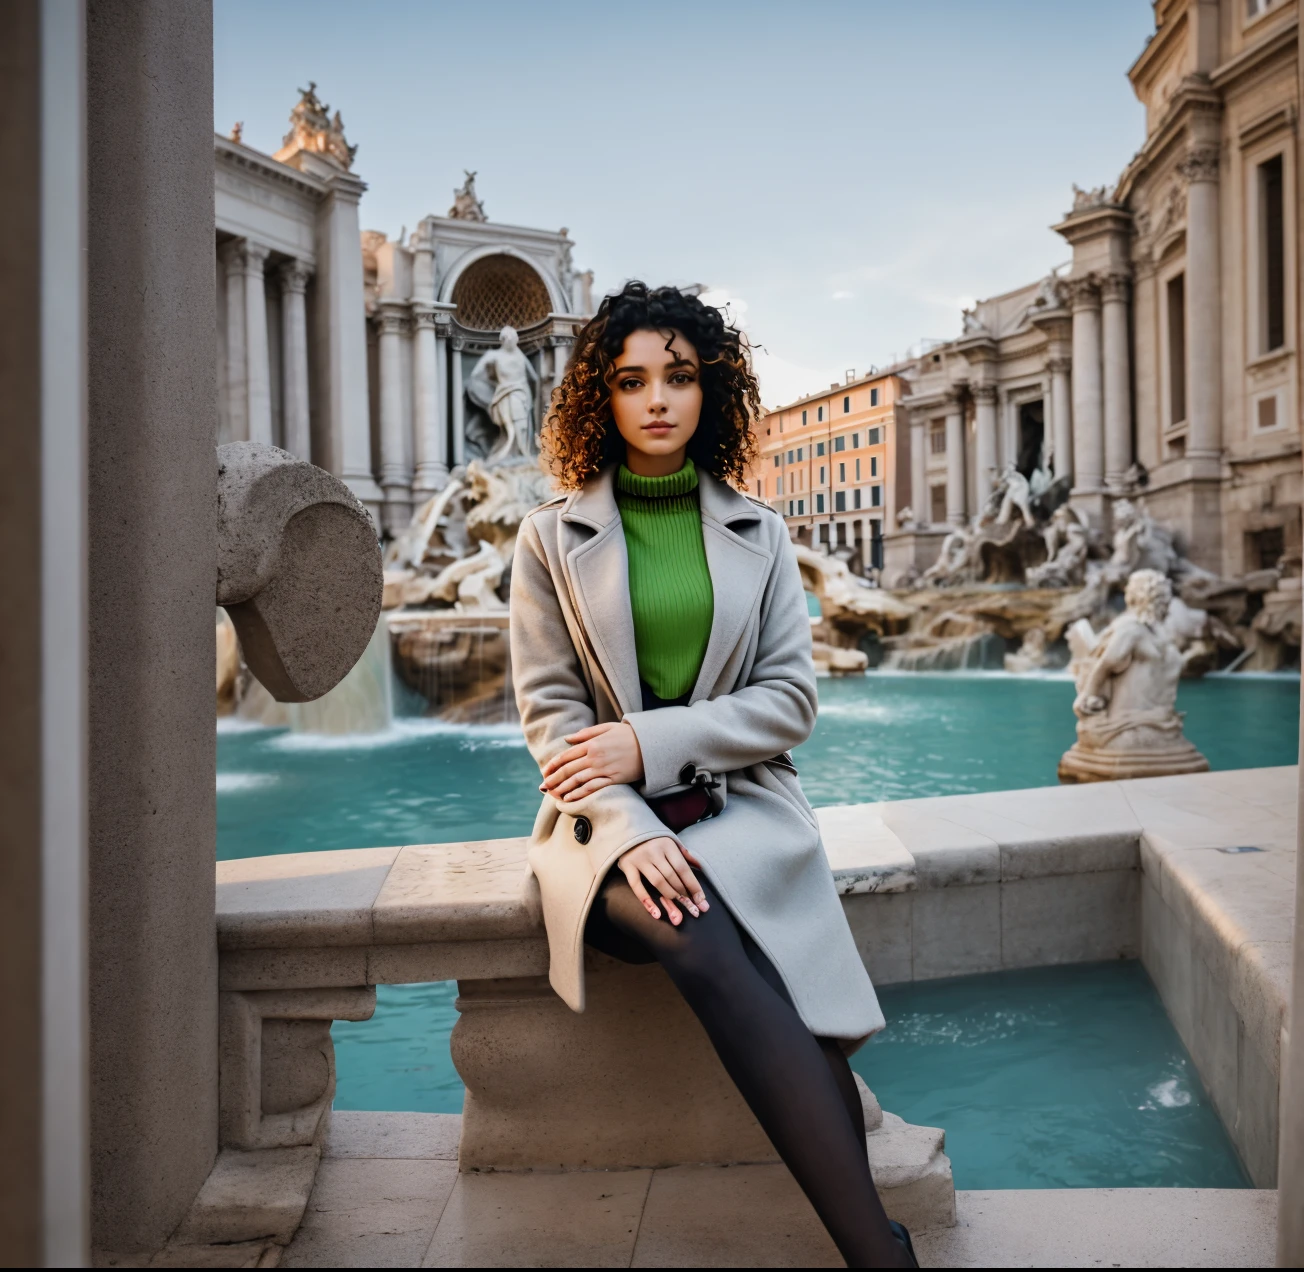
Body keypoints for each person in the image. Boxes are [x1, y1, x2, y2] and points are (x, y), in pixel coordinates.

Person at [509, 281, 917, 1268]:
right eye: (631, 380)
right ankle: (880, 1252)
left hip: (737, 802)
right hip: (600, 824)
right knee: (692, 926)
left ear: (712, 392)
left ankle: (876, 1250)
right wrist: (633, 821)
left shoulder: (761, 534)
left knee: (738, 934)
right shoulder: (545, 539)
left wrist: (649, 742)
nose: (656, 399)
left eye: (679, 378)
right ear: (599, 400)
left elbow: (789, 704)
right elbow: (552, 726)